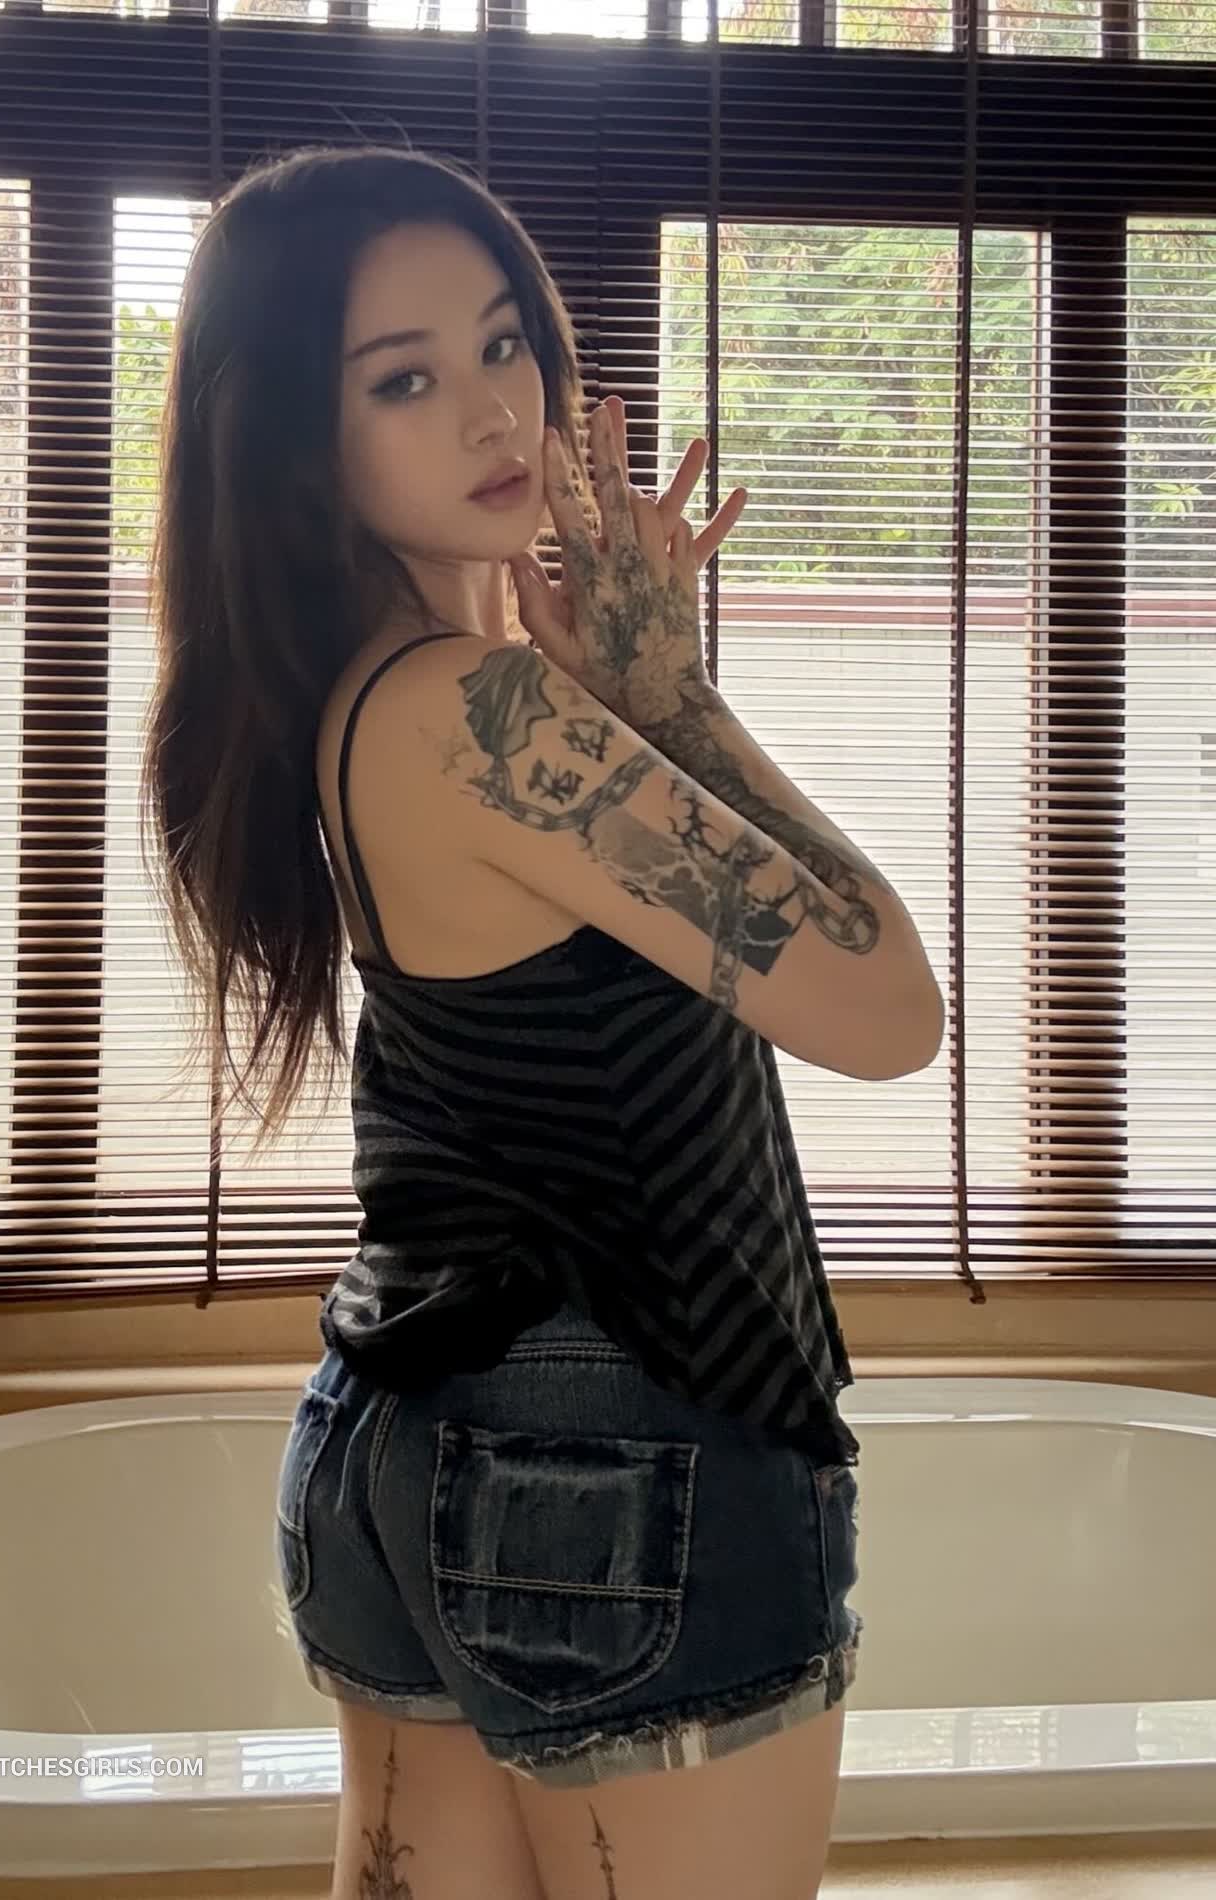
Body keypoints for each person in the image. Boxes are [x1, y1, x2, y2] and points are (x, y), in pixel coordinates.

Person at [142, 142, 944, 1900]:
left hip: (397, 1433)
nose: (498, 409)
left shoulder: (354, 700)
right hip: (618, 1456)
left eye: (504, 342)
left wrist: (625, 701)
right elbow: (890, 1008)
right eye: (404, 379)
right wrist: (675, 697)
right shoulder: (476, 712)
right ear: (299, 440)